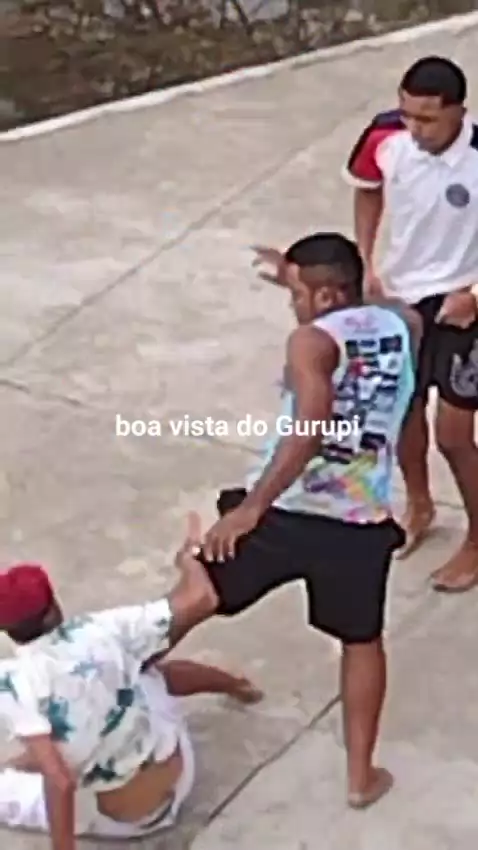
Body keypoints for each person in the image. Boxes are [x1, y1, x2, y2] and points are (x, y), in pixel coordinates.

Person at [189, 232, 419, 808]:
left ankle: (107, 681)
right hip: (358, 522)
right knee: (362, 640)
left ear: (325, 296)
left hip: (287, 510)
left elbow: (310, 426)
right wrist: (295, 274)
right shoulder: (405, 325)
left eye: (297, 293)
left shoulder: (308, 341)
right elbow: (366, 312)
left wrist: (250, 508)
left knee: (193, 594)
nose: (293, 303)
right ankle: (360, 777)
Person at [0, 525, 261, 850]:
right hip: (181, 769)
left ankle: (26, 762)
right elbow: (203, 599)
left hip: (138, 818)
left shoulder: (14, 683)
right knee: (145, 672)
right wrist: (188, 560)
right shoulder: (100, 629)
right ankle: (238, 686)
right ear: (54, 605)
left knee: (33, 759)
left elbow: (60, 783)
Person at [342, 55, 478, 590]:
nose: (414, 128)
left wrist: (474, 295)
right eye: (407, 115)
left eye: (427, 119)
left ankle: (477, 540)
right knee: (403, 412)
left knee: (454, 436)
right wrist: (365, 262)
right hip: (401, 297)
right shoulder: (384, 136)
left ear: (458, 112)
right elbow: (366, 187)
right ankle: (419, 505)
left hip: (463, 304)